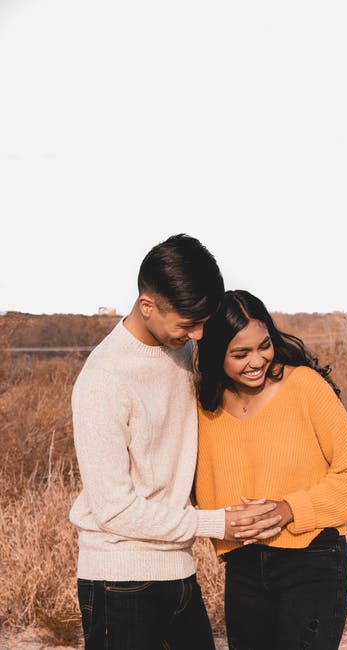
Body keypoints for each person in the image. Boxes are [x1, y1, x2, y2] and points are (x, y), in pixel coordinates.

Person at [69, 237, 281, 650]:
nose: (198, 334)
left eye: (203, 322)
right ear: (147, 305)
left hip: (178, 571)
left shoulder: (181, 349)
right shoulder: (103, 381)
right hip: (119, 581)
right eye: (188, 323)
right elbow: (114, 509)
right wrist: (217, 523)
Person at [194, 289, 347, 650]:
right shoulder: (204, 406)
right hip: (242, 567)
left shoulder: (305, 387)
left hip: (312, 561)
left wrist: (290, 509)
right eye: (240, 354)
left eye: (264, 346)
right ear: (215, 355)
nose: (257, 360)